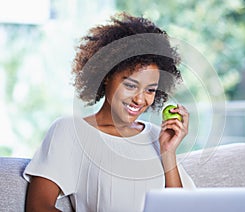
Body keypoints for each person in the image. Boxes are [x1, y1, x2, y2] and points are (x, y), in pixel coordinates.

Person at [23, 13, 195, 212]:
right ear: (106, 75)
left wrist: (168, 153)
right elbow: (38, 207)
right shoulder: (71, 131)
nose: (140, 99)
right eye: (130, 85)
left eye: (150, 90)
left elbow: (181, 209)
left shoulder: (158, 137)